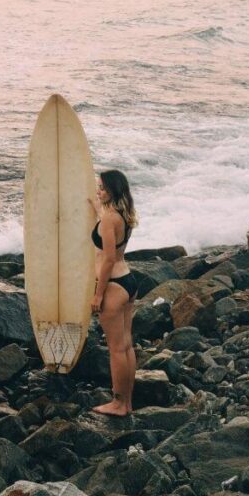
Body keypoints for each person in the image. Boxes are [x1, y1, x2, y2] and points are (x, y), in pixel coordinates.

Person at [89, 169, 138, 417]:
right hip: (128, 281)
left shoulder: (110, 220)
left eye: (102, 188)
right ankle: (127, 402)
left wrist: (98, 295)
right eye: (98, 186)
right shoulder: (123, 214)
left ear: (113, 191)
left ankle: (118, 403)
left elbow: (107, 260)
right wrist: (95, 204)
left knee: (116, 349)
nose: (99, 191)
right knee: (126, 346)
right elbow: (105, 221)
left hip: (113, 286)